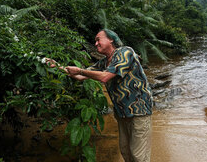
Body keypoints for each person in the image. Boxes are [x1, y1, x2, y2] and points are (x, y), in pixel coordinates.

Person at [46, 29, 153, 162]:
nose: (95, 43)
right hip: (122, 113)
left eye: (98, 39)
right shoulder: (104, 62)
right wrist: (58, 67)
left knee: (138, 156)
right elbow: (80, 76)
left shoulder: (125, 52)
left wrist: (79, 70)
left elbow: (105, 77)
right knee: (126, 151)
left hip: (139, 111)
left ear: (111, 40)